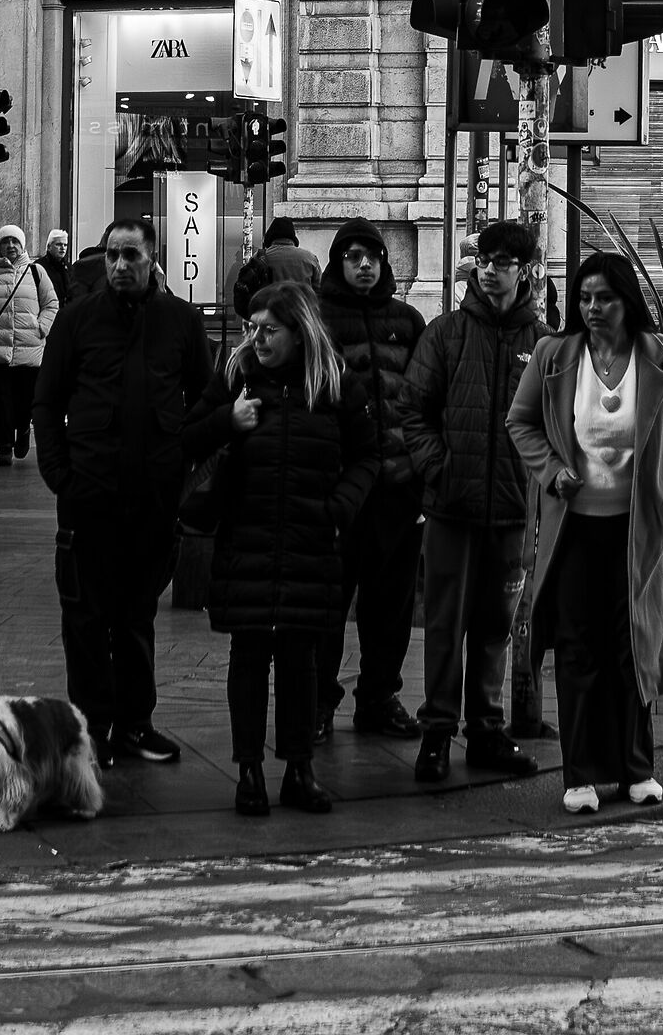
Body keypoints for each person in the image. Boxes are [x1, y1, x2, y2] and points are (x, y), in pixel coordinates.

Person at [508, 251, 663, 815]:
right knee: (577, 651)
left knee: (632, 645)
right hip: (574, 532)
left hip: (637, 532)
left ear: (627, 300)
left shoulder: (662, 354)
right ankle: (581, 775)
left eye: (604, 298)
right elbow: (519, 422)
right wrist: (552, 472)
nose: (591, 308)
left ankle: (636, 769)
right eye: (584, 298)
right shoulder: (554, 355)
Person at [184, 283, 377, 817]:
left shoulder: (334, 384)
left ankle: (299, 769)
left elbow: (368, 456)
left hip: (309, 539)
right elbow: (186, 437)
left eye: (269, 329)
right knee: (248, 657)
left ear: (299, 331)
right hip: (246, 537)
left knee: (301, 659)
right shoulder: (235, 376)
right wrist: (229, 420)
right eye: (252, 328)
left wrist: (338, 508)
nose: (258, 339)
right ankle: (248, 770)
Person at [32, 215, 211, 770]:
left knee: (136, 617)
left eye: (130, 255)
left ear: (152, 258)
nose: (119, 265)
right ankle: (90, 727)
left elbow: (203, 401)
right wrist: (60, 473)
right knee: (85, 619)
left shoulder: (180, 320)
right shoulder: (78, 318)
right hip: (89, 495)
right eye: (112, 254)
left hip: (153, 498)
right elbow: (47, 399)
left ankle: (136, 723)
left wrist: (183, 473)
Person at [400, 219, 542, 786]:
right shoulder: (446, 333)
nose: (489, 269)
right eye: (483, 258)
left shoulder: (544, 343)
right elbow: (415, 410)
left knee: (494, 627)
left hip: (512, 514)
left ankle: (486, 728)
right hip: (452, 510)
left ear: (525, 270)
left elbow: (558, 424)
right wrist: (440, 468)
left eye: (502, 261)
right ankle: (437, 732)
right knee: (443, 624)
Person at [314, 219, 426, 740]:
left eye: (372, 256)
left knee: (391, 605)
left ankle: (379, 696)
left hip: (398, 489)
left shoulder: (408, 320)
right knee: (326, 605)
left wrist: (423, 474)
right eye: (353, 256)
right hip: (338, 491)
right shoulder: (315, 319)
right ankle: (316, 702)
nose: (363, 264)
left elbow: (426, 402)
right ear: (338, 262)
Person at [0, 227, 59, 465]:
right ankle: (4, 447)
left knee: (25, 400)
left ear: (22, 245)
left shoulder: (36, 271)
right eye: (6, 242)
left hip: (29, 348)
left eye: (15, 241)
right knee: (0, 402)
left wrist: (41, 328)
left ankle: (23, 430)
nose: (11, 246)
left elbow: (51, 303)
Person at [232, 218, 320, 321]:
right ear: (293, 237)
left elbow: (245, 291)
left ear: (270, 236)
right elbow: (319, 294)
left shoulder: (260, 258)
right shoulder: (310, 258)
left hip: (270, 320)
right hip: (301, 320)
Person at [40, 230, 72, 307]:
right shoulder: (39, 266)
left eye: (65, 245)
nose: (62, 248)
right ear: (49, 246)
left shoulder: (69, 268)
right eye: (58, 244)